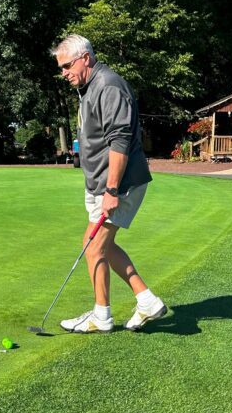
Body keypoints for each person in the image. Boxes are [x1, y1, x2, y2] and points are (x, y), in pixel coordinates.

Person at [53, 34, 167, 333]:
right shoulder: (90, 88)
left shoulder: (109, 86)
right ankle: (146, 300)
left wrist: (111, 190)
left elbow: (120, 140)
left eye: (67, 66)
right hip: (101, 183)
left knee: (93, 246)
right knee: (101, 245)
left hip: (118, 184)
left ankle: (101, 315)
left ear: (85, 58)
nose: (63, 73)